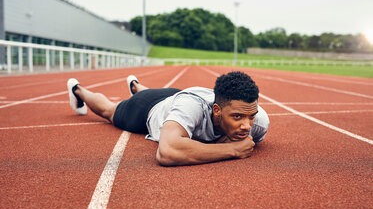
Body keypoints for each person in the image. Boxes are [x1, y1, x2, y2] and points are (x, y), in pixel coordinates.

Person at [67, 71, 269, 166]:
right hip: (149, 108)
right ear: (217, 110)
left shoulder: (259, 123)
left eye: (251, 117)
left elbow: (248, 119)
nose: (246, 125)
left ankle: (136, 85)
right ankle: (78, 90)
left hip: (175, 98)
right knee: (110, 111)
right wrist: (231, 149)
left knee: (163, 97)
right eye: (237, 117)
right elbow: (167, 152)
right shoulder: (191, 107)